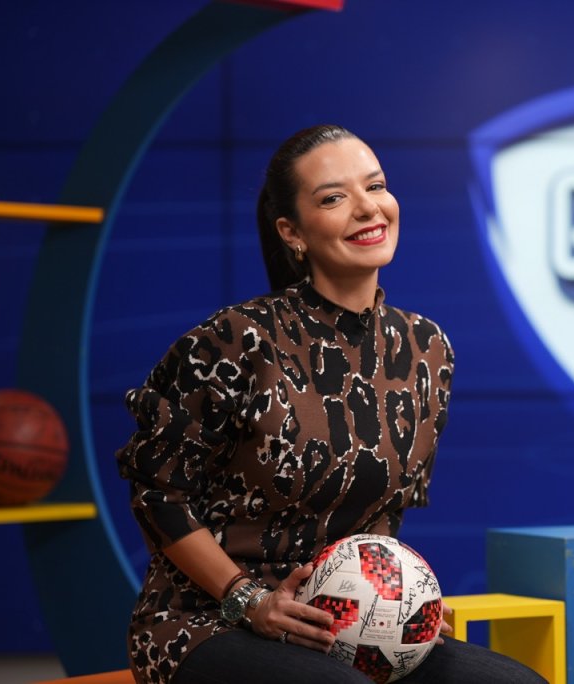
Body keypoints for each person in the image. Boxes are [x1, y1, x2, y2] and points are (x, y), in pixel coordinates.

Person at [116, 124, 546, 684]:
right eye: (333, 198)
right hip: (204, 621)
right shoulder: (237, 339)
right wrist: (249, 600)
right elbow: (159, 494)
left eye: (376, 186)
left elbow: (381, 519)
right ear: (292, 232)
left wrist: (398, 603)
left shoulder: (426, 348)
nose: (368, 208)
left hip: (346, 623)